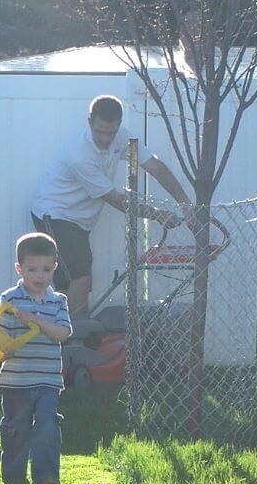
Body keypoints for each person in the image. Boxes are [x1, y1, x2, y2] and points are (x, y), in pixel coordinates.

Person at [31, 94, 193, 317]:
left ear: (119, 125)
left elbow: (155, 168)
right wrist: (158, 215)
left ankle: (66, 337)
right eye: (100, 132)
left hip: (78, 220)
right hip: (55, 214)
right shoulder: (79, 156)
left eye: (111, 132)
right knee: (80, 278)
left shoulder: (123, 138)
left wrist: (186, 204)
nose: (106, 139)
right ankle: (76, 341)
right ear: (90, 123)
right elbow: (116, 200)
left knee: (69, 282)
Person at [0, 232, 72, 484]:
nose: (40, 276)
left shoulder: (58, 301)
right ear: (19, 268)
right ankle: (14, 475)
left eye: (46, 269)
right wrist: (3, 347)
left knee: (47, 427)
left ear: (55, 267)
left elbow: (63, 333)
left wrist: (37, 321)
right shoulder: (10, 299)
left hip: (48, 380)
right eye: (32, 269)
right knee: (16, 429)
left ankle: (47, 475)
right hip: (16, 380)